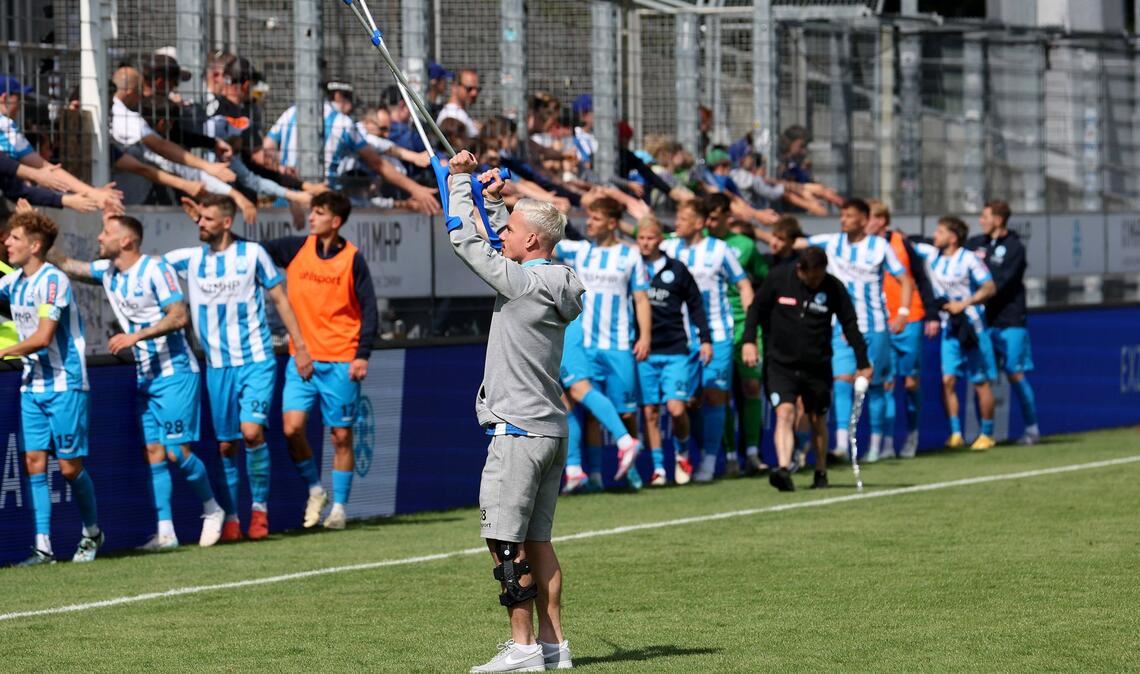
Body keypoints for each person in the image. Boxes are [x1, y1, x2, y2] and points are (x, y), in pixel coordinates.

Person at [445, 150, 584, 673]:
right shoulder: (554, 277)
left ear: (532, 241)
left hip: (520, 431)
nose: (503, 234)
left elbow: (465, 240)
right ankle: (554, 647)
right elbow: (514, 238)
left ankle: (523, 648)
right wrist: (498, 200)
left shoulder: (523, 281)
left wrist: (460, 183)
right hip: (549, 429)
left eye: (512, 229)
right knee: (538, 541)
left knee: (505, 543)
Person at [52, 212, 224, 550]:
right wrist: (37, 227)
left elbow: (178, 315)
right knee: (154, 452)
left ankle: (212, 509)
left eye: (106, 233)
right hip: (146, 376)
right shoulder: (109, 272)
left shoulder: (156, 269)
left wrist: (136, 337)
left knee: (177, 452)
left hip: (175, 371)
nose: (100, 238)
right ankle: (166, 533)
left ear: (126, 241)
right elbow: (66, 264)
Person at [164, 194, 312, 541]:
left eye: (208, 219)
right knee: (227, 445)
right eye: (198, 219)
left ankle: (259, 511)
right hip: (217, 366)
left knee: (251, 433)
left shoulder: (252, 255)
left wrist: (301, 346)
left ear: (227, 222)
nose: (200, 224)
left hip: (256, 360)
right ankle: (231, 516)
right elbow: (147, 268)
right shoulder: (190, 260)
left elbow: (280, 299)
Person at [260, 191, 378, 530]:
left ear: (335, 221)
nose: (311, 217)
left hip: (342, 359)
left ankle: (339, 508)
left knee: (341, 436)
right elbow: (252, 252)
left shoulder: (353, 258)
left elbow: (369, 310)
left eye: (319, 213)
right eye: (311, 212)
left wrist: (362, 355)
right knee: (291, 428)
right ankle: (315, 489)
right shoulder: (296, 248)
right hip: (303, 359)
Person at [0, 210, 102, 565]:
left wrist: (5, 349)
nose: (6, 242)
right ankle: (43, 547)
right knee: (33, 462)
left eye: (13, 238)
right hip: (32, 385)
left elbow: (43, 337)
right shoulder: (13, 282)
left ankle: (92, 532)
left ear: (35, 244)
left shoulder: (53, 280)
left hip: (65, 384)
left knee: (70, 468)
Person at [789, 199, 913, 475]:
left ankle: (878, 445)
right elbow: (797, 243)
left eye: (849, 216)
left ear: (864, 219)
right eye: (842, 215)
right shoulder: (832, 243)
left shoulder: (880, 247)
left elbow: (904, 279)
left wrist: (903, 312)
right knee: (842, 383)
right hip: (840, 326)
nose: (843, 219)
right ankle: (843, 445)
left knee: (876, 386)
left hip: (875, 326)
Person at [742, 246, 869, 491]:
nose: (815, 282)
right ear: (800, 270)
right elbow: (756, 309)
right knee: (784, 412)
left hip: (817, 363)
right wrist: (749, 341)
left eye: (819, 276)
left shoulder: (832, 287)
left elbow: (850, 324)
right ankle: (782, 469)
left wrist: (863, 362)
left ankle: (820, 471)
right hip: (780, 362)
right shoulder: (779, 278)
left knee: (816, 418)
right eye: (811, 277)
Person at [552, 196, 649, 488]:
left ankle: (629, 464)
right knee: (579, 403)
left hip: (618, 342)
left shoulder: (630, 256)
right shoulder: (581, 252)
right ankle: (589, 475)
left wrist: (645, 336)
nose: (589, 223)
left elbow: (641, 298)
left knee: (626, 410)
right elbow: (542, 241)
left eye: (595, 218)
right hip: (584, 341)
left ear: (612, 222)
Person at [660, 199, 753, 483]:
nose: (677, 222)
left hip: (718, 333)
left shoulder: (720, 250)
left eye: (684, 217)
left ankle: (710, 462)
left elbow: (744, 283)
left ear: (700, 222)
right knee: (682, 403)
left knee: (714, 396)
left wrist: (749, 330)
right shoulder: (669, 248)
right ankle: (685, 454)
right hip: (679, 336)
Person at [262, 84, 439, 214]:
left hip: (286, 202)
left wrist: (284, 167)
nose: (353, 107)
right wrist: (416, 188)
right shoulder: (343, 123)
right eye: (350, 100)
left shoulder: (291, 112)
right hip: (324, 205)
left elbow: (267, 148)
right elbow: (377, 162)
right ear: (338, 96)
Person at [635, 216, 712, 486]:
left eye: (650, 238)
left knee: (677, 409)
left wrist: (705, 338)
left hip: (676, 348)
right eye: (641, 238)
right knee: (650, 413)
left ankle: (681, 454)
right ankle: (658, 469)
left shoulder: (676, 269)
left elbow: (696, 305)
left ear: (660, 240)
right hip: (645, 351)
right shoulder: (633, 267)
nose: (645, 243)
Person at [911, 216, 998, 450]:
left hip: (972, 327)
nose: (935, 236)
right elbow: (904, 243)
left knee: (980, 381)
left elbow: (989, 287)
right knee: (947, 380)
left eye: (940, 232)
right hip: (950, 328)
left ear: (953, 236)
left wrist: (966, 303)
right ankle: (956, 433)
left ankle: (987, 434)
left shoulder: (968, 258)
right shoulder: (932, 256)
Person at [865, 200, 940, 459]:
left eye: (872, 217)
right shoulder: (861, 247)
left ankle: (912, 435)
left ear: (883, 220)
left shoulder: (901, 243)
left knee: (909, 382)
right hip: (880, 322)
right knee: (884, 383)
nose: (867, 222)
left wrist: (931, 313)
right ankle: (885, 443)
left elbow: (921, 278)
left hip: (910, 318)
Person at [705, 193, 768, 475]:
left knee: (751, 387)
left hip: (743, 325)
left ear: (727, 216)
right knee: (721, 393)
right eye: (706, 217)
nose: (709, 222)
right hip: (714, 328)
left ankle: (753, 453)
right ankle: (730, 456)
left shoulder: (744, 245)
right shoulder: (697, 243)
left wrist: (753, 331)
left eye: (714, 217)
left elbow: (760, 282)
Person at [968, 200, 1041, 445]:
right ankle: (986, 433)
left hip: (1010, 320)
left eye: (984, 216)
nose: (981, 221)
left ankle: (1032, 429)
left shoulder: (1014, 248)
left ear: (998, 220)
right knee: (984, 376)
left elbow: (1001, 283)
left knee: (1014, 373)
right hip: (984, 321)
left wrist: (970, 298)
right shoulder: (977, 243)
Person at [0, 75, 123, 211]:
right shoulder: (3, 125)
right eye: (18, 98)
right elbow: (40, 168)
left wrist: (88, 194)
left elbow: (17, 188)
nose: (20, 105)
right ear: (5, 98)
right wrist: (91, 193)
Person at [436, 68, 481, 138]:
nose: (474, 93)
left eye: (477, 89)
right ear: (454, 87)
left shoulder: (460, 113)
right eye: (469, 89)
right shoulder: (451, 115)